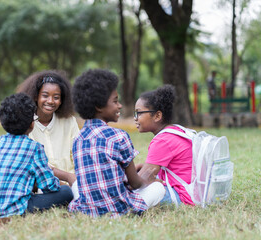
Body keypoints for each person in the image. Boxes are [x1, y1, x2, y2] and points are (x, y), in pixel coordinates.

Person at [68, 69, 165, 217]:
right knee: (158, 188)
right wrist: (149, 179)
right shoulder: (119, 136)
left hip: (88, 210)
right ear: (99, 106)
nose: (119, 106)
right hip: (119, 210)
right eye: (115, 101)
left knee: (76, 185)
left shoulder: (77, 140)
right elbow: (135, 184)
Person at [0, 93, 73, 219]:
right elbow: (49, 186)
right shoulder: (34, 148)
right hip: (12, 208)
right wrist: (64, 184)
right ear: (31, 124)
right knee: (66, 192)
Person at [16, 70, 79, 190]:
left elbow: (78, 153)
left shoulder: (69, 121)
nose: (50, 101)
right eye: (45, 96)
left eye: (56, 97)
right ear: (35, 96)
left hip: (73, 183)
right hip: (40, 184)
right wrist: (66, 179)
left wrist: (77, 180)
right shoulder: (24, 123)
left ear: (62, 100)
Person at [134, 84, 194, 206]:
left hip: (182, 196)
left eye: (139, 113)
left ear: (157, 116)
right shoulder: (177, 130)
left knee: (136, 192)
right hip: (193, 191)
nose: (135, 118)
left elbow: (141, 181)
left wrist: (121, 180)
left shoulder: (162, 140)